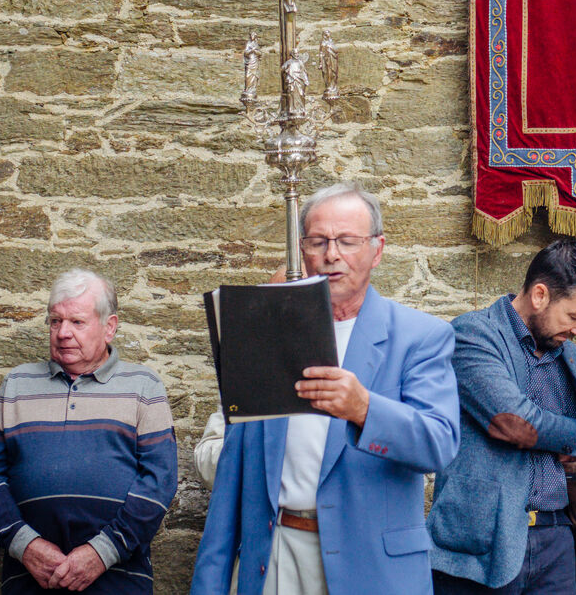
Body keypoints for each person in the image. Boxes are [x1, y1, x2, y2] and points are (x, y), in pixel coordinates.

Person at [190, 182, 461, 595]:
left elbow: (439, 446)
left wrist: (364, 409)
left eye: (347, 241)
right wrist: (209, 583)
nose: (332, 254)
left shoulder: (420, 336)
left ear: (377, 250)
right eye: (318, 242)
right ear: (302, 250)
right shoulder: (266, 333)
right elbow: (233, 471)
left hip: (371, 567)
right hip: (276, 555)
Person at [429, 239, 576, 595]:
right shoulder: (472, 334)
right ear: (540, 295)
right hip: (482, 545)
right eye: (575, 317)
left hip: (557, 540)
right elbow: (511, 420)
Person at [0, 269, 178, 594]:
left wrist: (102, 552)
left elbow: (159, 481)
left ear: (109, 327)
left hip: (118, 581)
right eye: (55, 321)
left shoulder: (143, 386)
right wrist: (26, 546)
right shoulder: (17, 385)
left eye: (77, 322)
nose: (63, 333)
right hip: (30, 579)